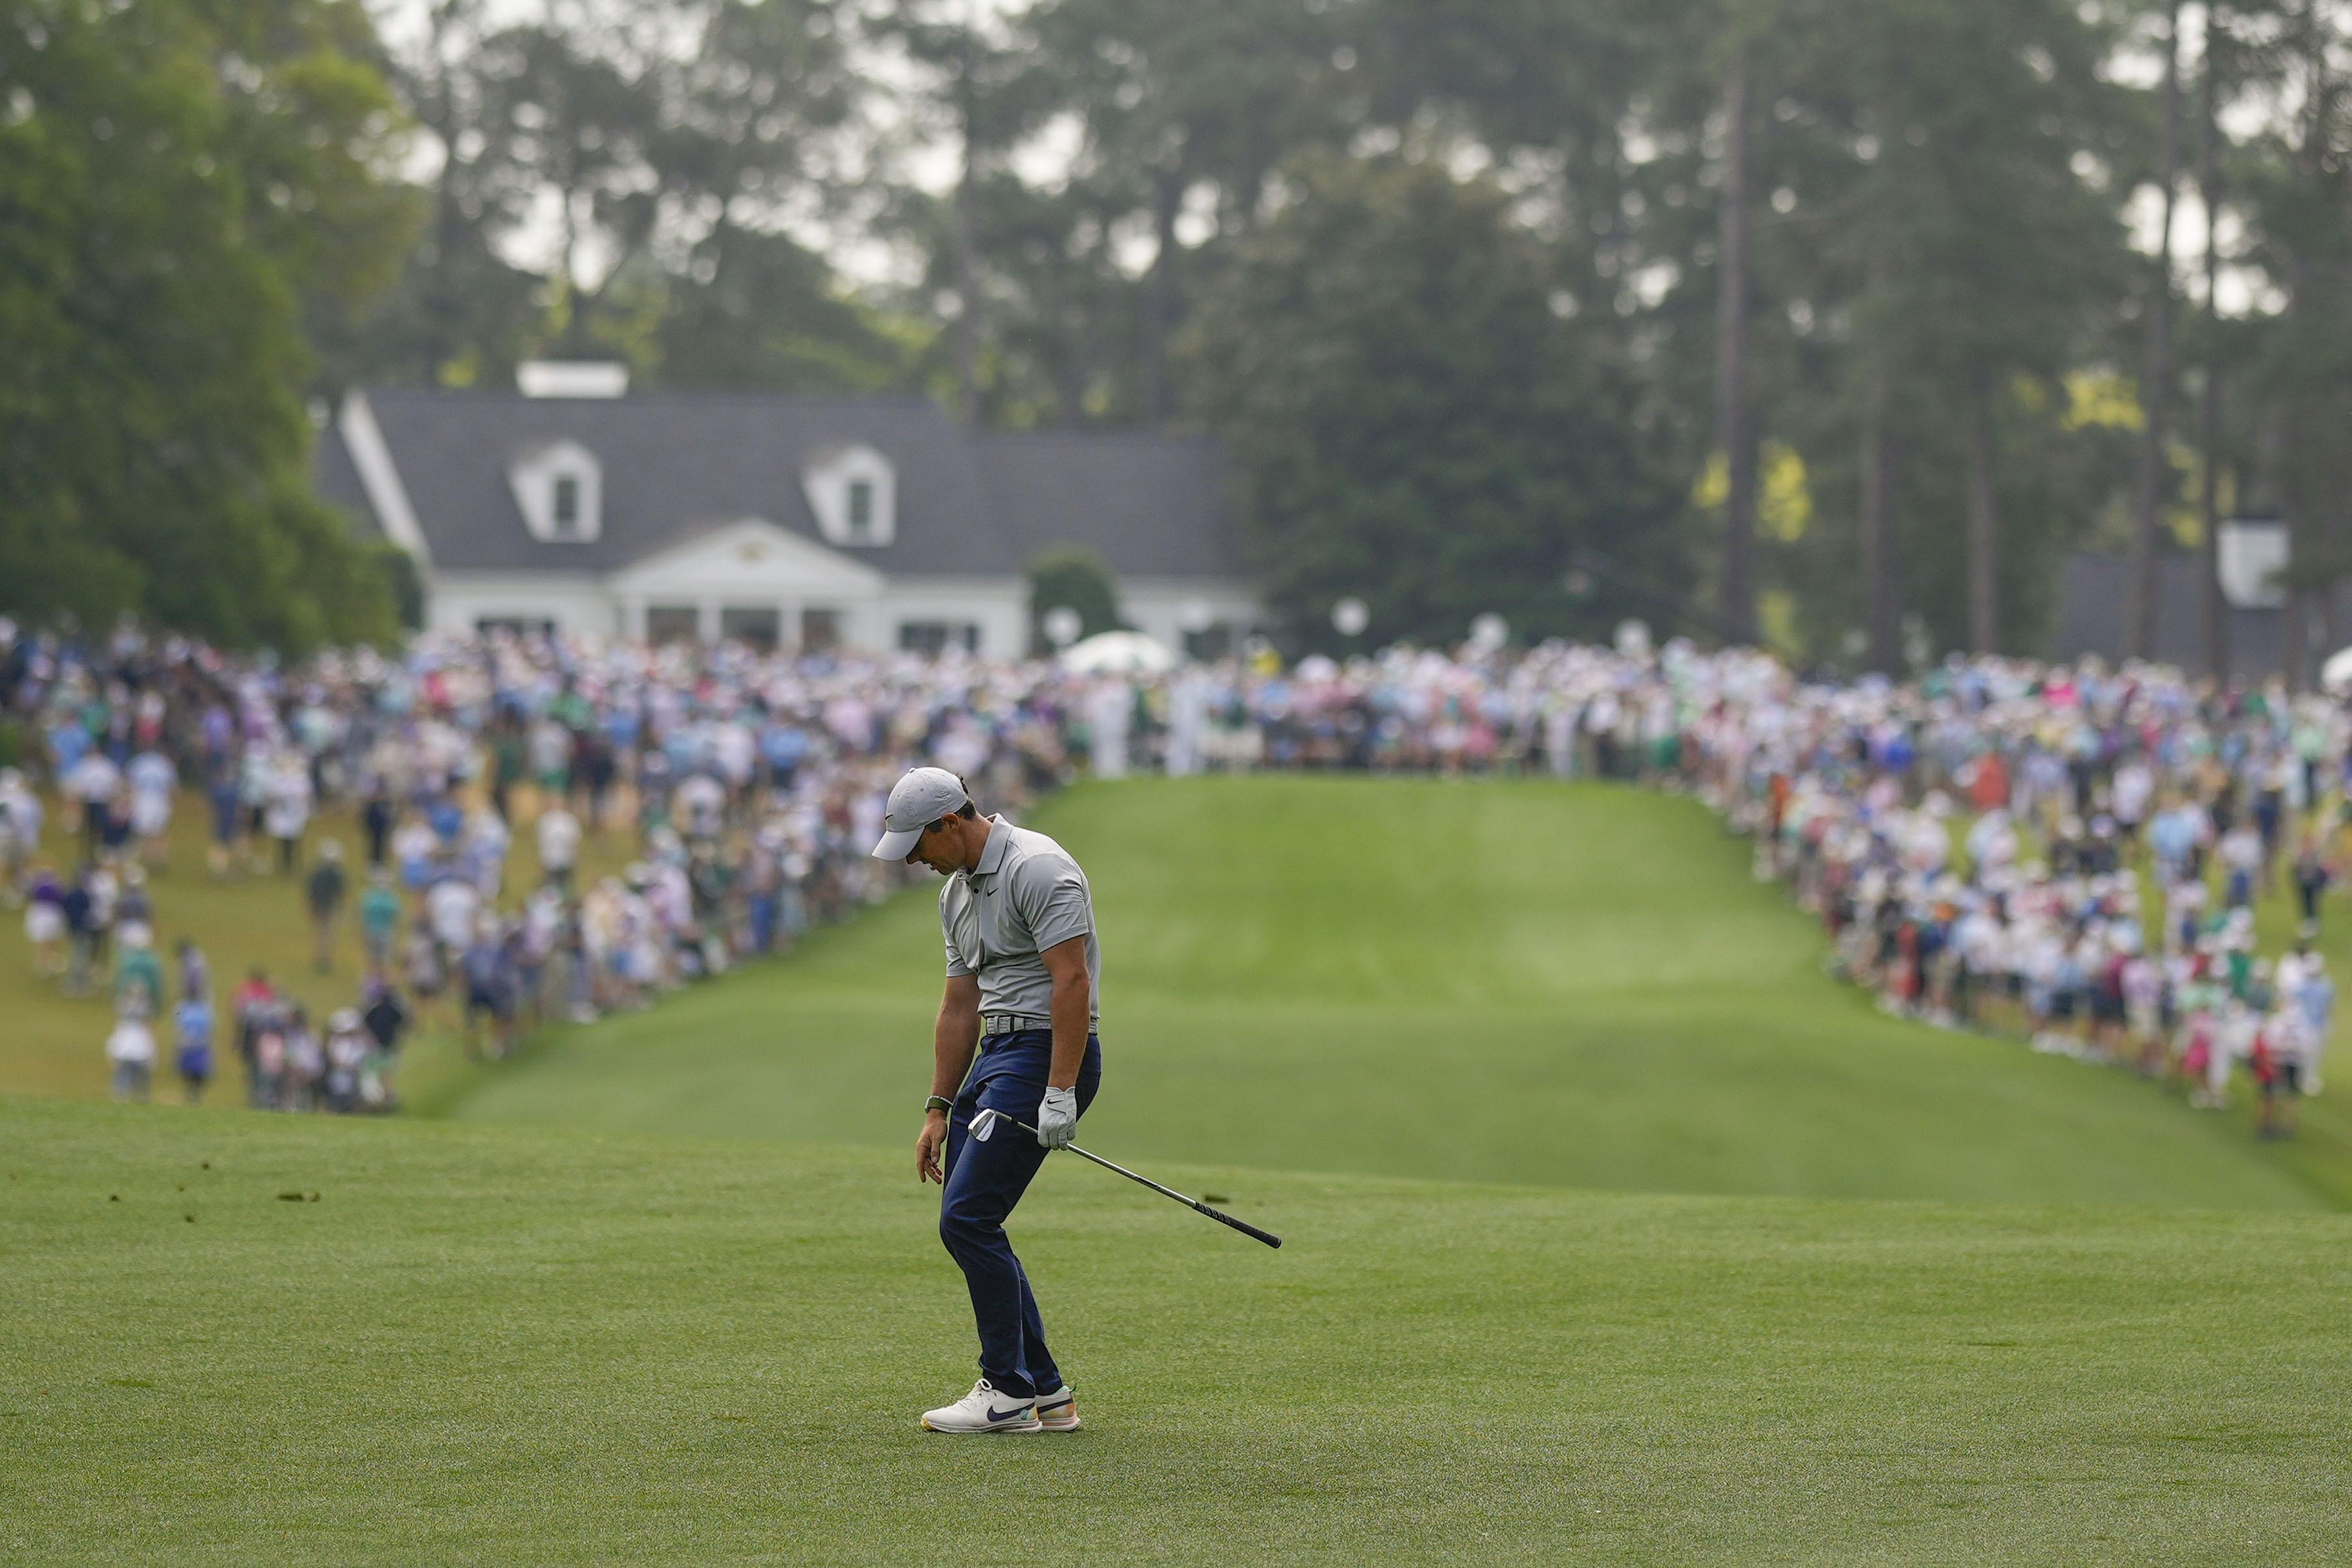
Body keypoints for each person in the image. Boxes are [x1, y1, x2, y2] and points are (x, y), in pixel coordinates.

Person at [882, 767, 1103, 1436]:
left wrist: (1059, 1091)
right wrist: (937, 1106)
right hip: (997, 1059)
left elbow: (1070, 983)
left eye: (920, 846)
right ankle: (1049, 1394)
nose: (917, 862)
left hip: (1045, 1053)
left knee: (969, 1216)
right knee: (975, 1217)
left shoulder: (1040, 869)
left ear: (949, 823)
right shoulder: (956, 893)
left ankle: (1008, 1390)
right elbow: (959, 1006)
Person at [307, 838, 349, 973]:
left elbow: (310, 890)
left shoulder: (316, 871)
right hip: (330, 906)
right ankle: (325, 958)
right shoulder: (337, 873)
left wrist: (311, 906)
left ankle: (319, 955)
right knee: (328, 933)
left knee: (320, 932)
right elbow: (340, 891)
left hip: (318, 906)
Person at [106, 1010, 156, 1103]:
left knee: (129, 1080)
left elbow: (114, 1042)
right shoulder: (131, 1028)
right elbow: (149, 1044)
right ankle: (129, 1098)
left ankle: (127, 1098)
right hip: (134, 1057)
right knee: (129, 1079)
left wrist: (112, 1054)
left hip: (131, 1056)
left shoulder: (126, 1027)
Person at [173, 994, 214, 1105]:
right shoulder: (183, 1007)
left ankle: (196, 1096)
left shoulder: (204, 1008)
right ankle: (191, 1095)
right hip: (188, 1045)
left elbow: (210, 1027)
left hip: (200, 1045)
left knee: (199, 1074)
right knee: (188, 1073)